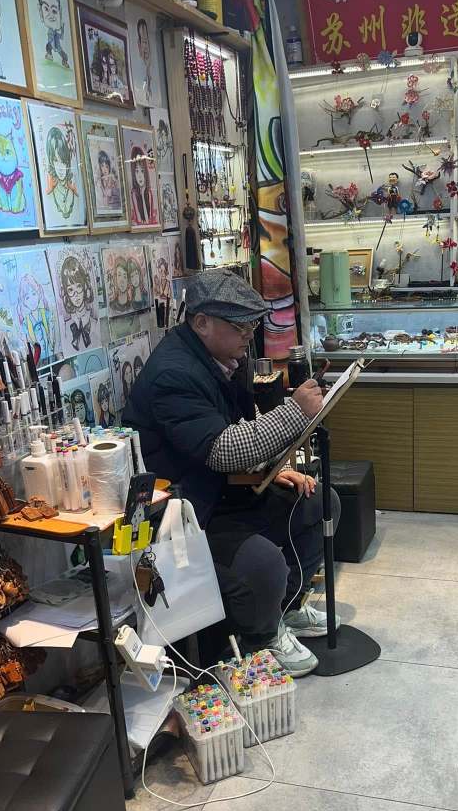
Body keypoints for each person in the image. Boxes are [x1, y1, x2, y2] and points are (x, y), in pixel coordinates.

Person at [123, 269, 340, 677]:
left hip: (224, 491)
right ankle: (263, 635)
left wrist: (270, 469)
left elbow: (241, 423)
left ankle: (286, 609)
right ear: (202, 322)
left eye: (252, 325)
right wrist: (296, 412)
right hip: (187, 513)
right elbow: (223, 449)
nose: (249, 335)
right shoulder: (173, 374)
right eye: (240, 326)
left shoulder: (225, 358)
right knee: (264, 564)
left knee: (319, 503)